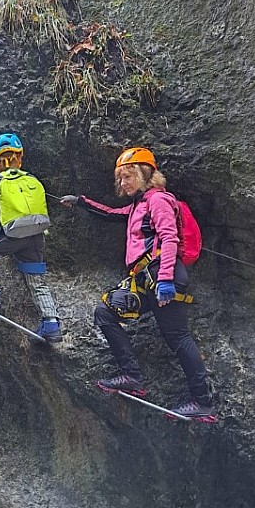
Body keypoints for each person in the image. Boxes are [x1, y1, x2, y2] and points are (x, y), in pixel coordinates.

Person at [61, 146, 215, 421]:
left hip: (163, 276)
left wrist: (165, 279)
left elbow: (169, 238)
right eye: (120, 178)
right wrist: (81, 202)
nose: (123, 183)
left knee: (178, 337)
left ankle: (202, 401)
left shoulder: (158, 201)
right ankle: (131, 375)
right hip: (147, 281)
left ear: (146, 175)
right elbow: (111, 214)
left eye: (128, 176)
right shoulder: (139, 206)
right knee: (105, 312)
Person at [0, 133, 62, 342]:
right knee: (36, 280)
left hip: (12, 236)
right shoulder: (32, 178)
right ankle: (51, 323)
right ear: (20, 157)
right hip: (36, 236)